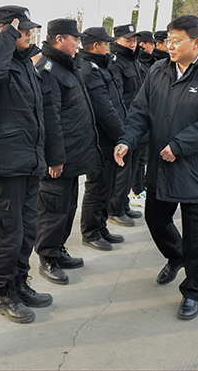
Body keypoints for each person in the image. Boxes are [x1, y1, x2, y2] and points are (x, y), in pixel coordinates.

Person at [114, 14, 198, 320]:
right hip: (160, 165)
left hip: (194, 168)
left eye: (176, 41)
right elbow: (140, 111)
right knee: (155, 218)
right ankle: (176, 256)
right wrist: (127, 140)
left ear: (196, 43)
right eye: (168, 40)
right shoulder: (158, 71)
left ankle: (192, 290)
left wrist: (179, 145)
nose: (169, 46)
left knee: (196, 234)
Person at [0, 6, 52, 324]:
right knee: (8, 232)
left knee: (27, 230)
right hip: (3, 165)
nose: (30, 34)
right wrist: (7, 35)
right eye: (23, 29)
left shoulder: (25, 65)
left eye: (31, 29)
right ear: (6, 30)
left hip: (29, 163)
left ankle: (20, 283)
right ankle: (4, 292)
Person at [34, 18, 102, 284]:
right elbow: (50, 119)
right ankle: (47, 257)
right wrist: (55, 158)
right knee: (52, 209)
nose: (78, 44)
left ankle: (58, 249)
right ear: (59, 39)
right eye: (75, 39)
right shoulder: (48, 70)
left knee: (67, 207)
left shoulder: (68, 66)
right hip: (58, 159)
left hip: (72, 154)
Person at [78, 27, 127, 251]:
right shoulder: (89, 69)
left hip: (110, 137)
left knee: (107, 186)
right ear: (96, 46)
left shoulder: (100, 66)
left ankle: (101, 226)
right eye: (105, 43)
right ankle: (90, 232)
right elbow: (104, 109)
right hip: (101, 139)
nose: (108, 46)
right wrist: (122, 136)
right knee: (97, 186)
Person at [108, 24, 143, 226]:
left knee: (132, 167)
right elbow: (117, 97)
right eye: (128, 40)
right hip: (126, 123)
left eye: (134, 40)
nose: (132, 44)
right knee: (123, 170)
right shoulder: (115, 62)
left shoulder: (133, 60)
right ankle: (115, 209)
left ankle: (124, 203)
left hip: (136, 122)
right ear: (117, 41)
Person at [131, 30, 161, 208]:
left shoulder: (150, 62)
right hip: (140, 116)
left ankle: (141, 187)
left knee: (145, 157)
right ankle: (137, 190)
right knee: (139, 159)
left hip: (150, 115)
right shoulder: (138, 64)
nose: (154, 46)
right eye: (152, 43)